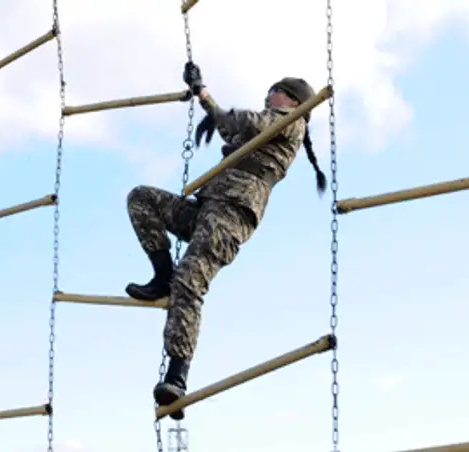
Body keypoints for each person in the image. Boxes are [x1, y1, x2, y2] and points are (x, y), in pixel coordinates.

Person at [123, 62, 326, 419]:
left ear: (293, 101)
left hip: (231, 215)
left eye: (274, 92)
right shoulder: (268, 124)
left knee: (190, 280)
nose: (267, 97)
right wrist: (202, 94)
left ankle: (176, 375)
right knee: (142, 199)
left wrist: (221, 114)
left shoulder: (292, 122)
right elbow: (230, 126)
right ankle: (162, 276)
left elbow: (250, 122)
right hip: (206, 208)